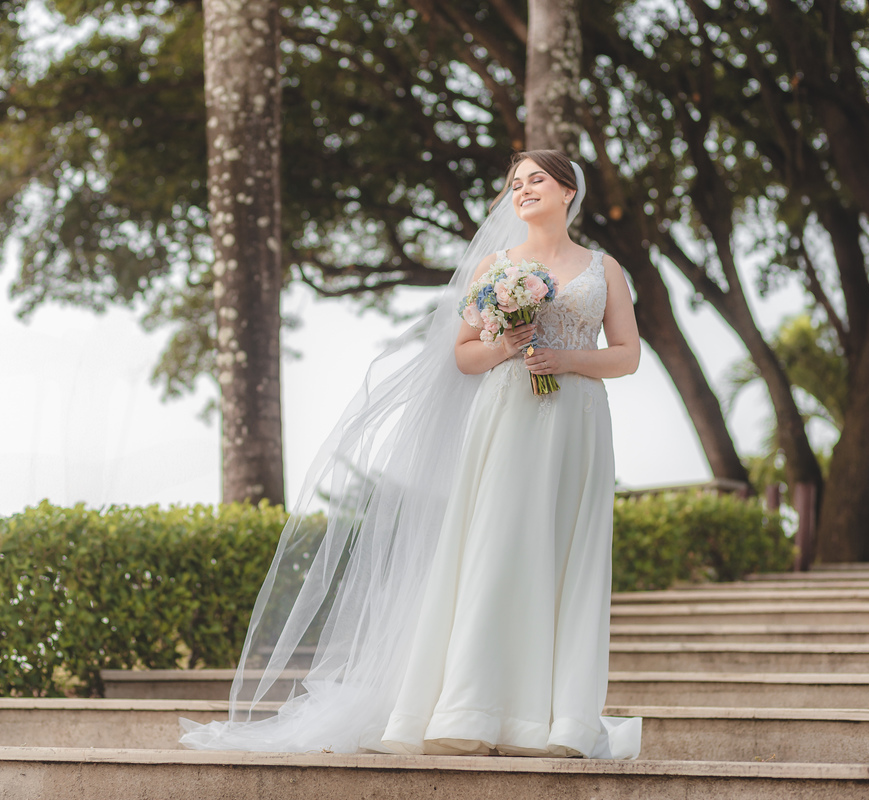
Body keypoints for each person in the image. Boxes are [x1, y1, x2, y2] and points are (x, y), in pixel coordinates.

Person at [181, 150, 643, 759]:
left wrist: (566, 360)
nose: (523, 191)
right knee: (494, 553)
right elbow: (464, 354)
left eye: (536, 181)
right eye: (514, 184)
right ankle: (468, 716)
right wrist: (507, 345)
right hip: (508, 419)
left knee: (571, 562)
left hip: (578, 425)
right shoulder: (495, 266)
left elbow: (627, 355)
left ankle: (561, 726)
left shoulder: (603, 269)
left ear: (567, 191)